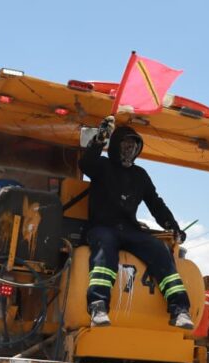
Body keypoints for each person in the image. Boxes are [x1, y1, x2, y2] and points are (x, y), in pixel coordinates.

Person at [79, 116, 193, 329]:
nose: (129, 150)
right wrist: (100, 138)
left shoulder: (140, 175)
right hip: (102, 227)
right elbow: (86, 163)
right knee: (104, 249)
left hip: (129, 230)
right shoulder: (102, 166)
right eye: (125, 145)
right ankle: (98, 306)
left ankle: (180, 310)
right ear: (115, 146)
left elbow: (155, 203)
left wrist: (172, 225)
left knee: (159, 249)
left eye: (134, 146)